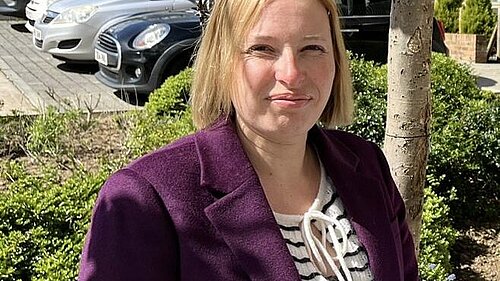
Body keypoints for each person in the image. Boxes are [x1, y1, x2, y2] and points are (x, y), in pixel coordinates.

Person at [78, 0, 418, 280]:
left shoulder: (368, 166)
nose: (291, 74)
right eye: (262, 49)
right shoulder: (148, 200)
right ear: (221, 62)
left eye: (312, 47)